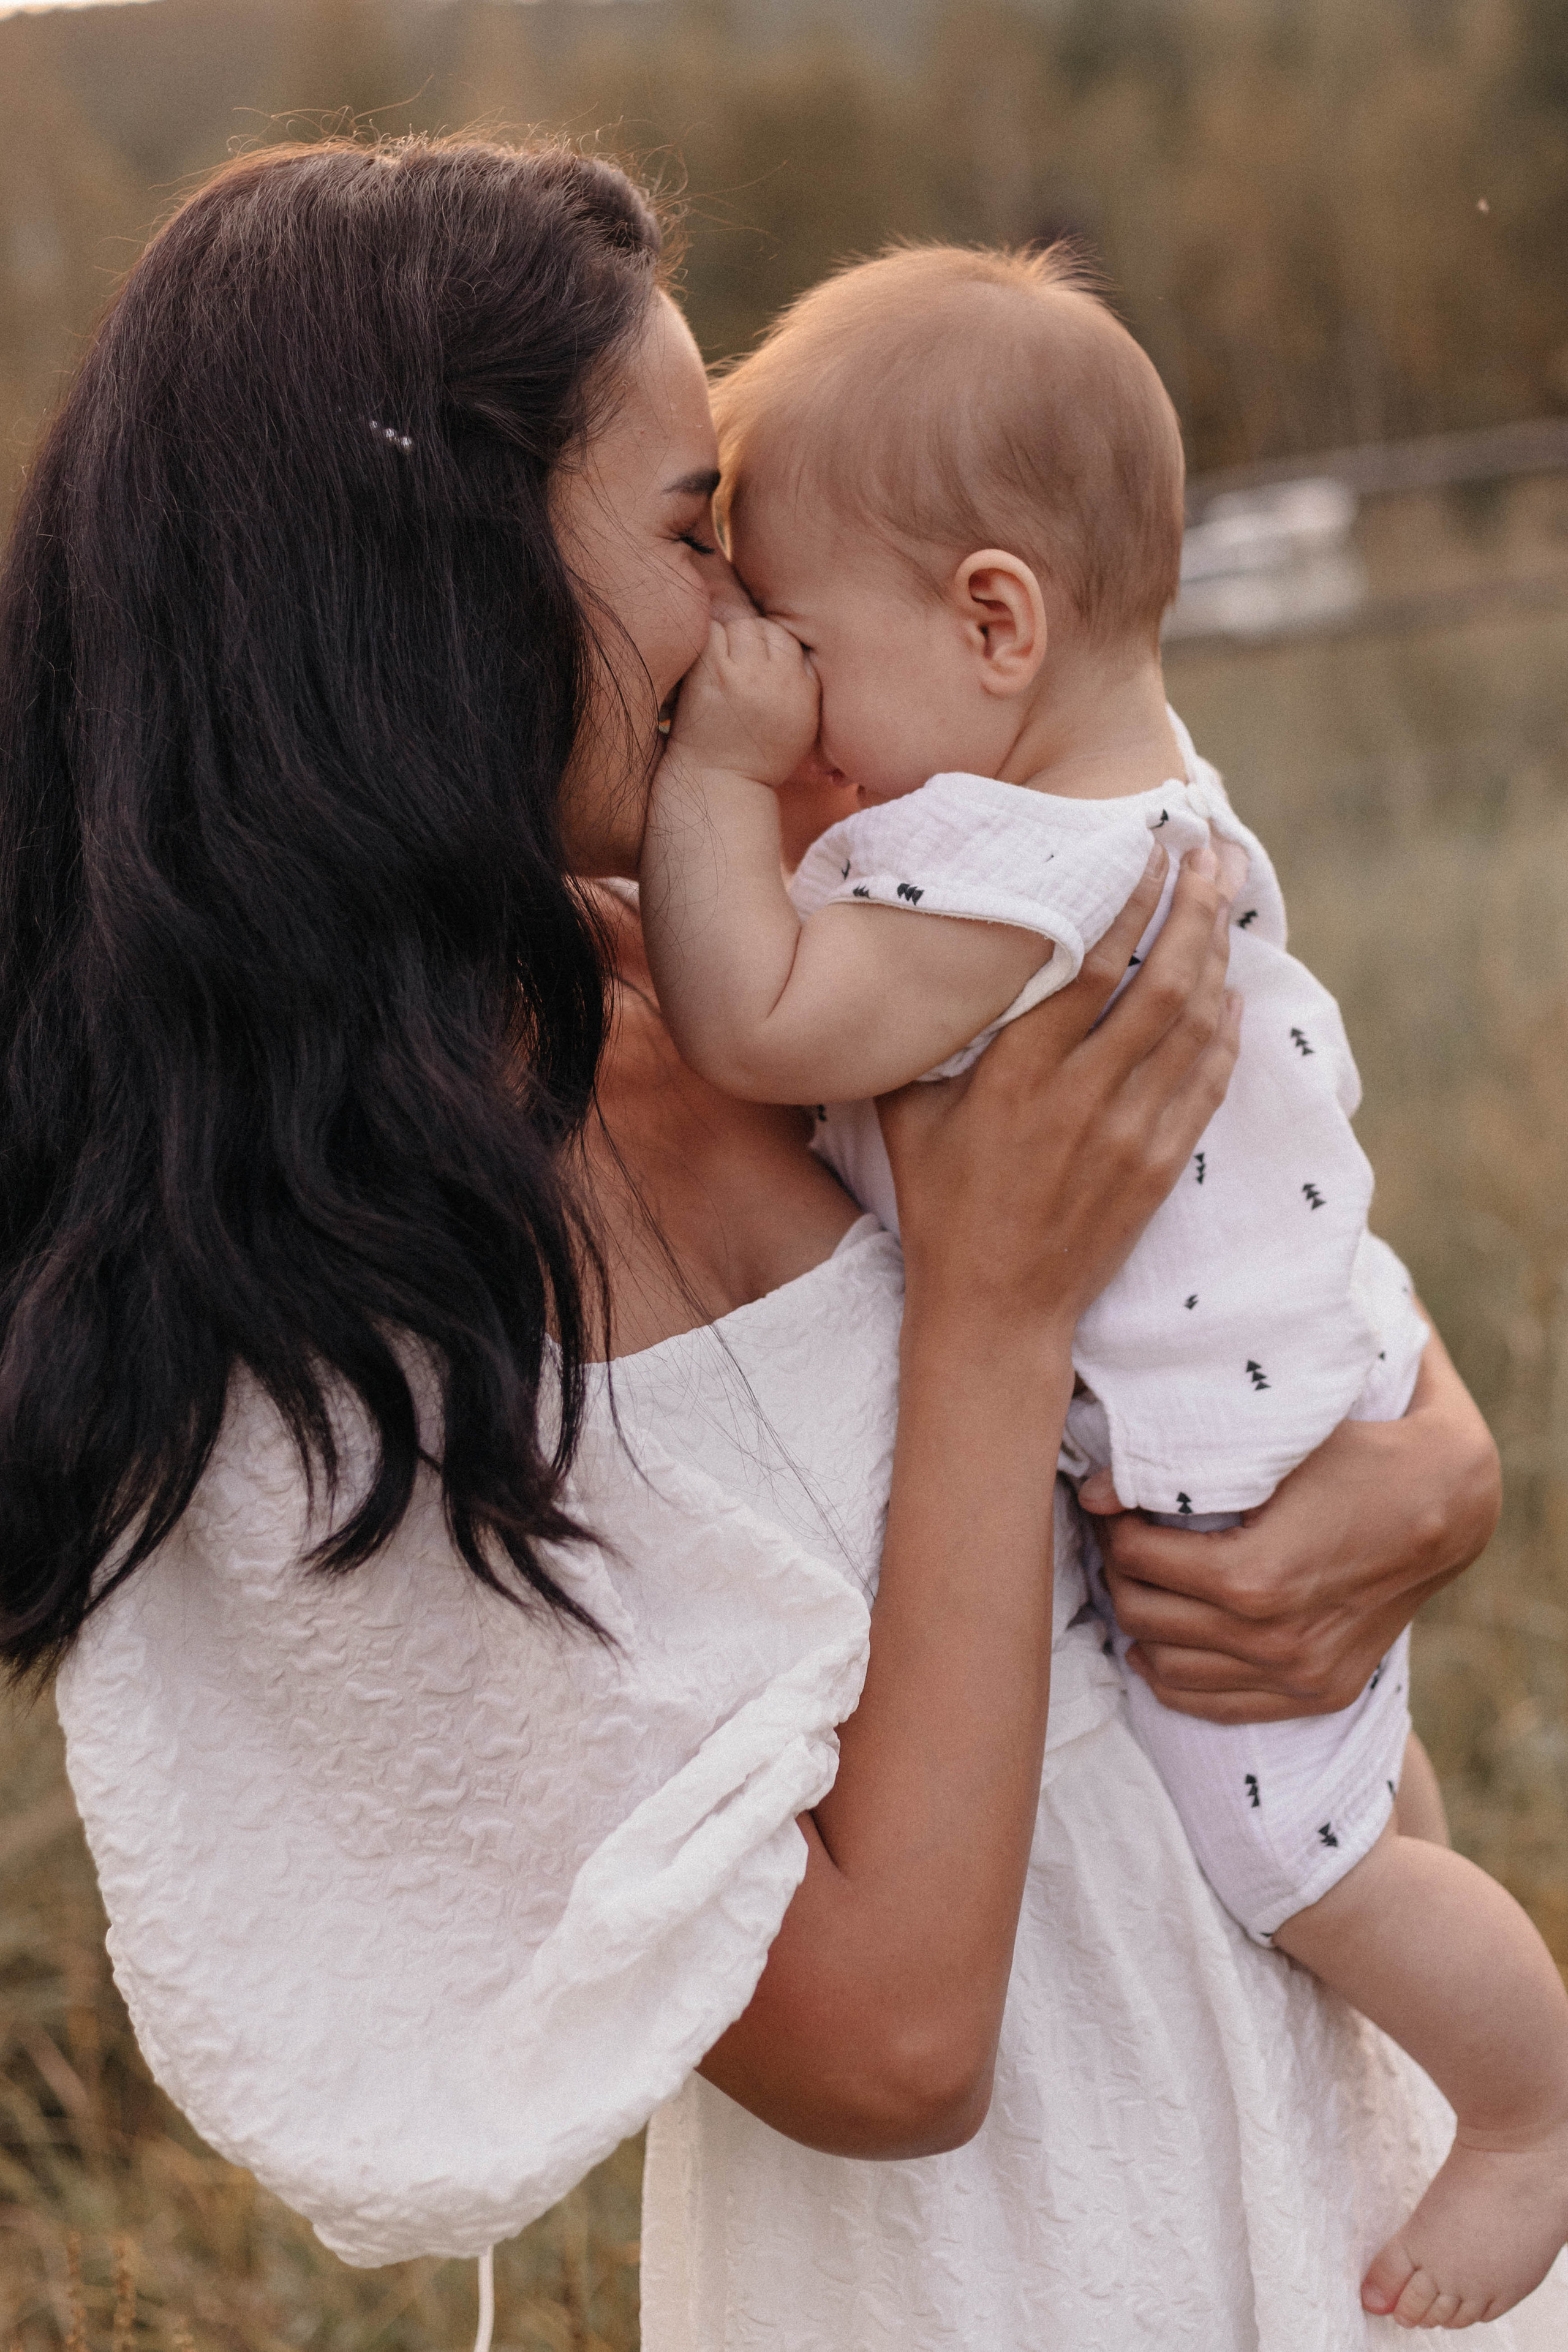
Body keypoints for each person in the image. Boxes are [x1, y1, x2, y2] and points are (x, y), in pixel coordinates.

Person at [0, 137, 1554, 2350]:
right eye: (685, 531)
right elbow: (894, 2050)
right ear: (439, 583)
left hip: (1320, 2084)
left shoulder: (753, 950)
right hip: (996, 2262)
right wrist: (993, 1311)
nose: (751, 615)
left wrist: (1434, 1475)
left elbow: (1247, 1221)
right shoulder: (350, 1282)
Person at [638, 243, 1568, 2331]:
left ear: (995, 622)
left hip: (1216, 1484)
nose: (772, 683)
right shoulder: (1129, 810)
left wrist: (712, 778)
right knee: (1354, 1792)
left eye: (799, 641)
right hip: (1278, 1397)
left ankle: (1529, 2109)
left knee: (1307, 1861)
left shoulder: (1017, 875)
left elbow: (765, 1020)